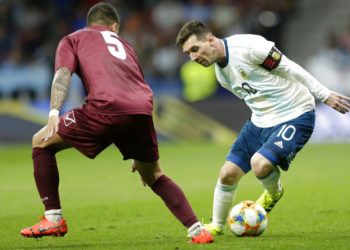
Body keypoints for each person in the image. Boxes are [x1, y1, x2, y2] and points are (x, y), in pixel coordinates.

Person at [20, 4, 213, 244]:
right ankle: (198, 230)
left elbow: (62, 74)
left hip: (104, 108)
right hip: (141, 109)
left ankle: (53, 218)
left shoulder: (73, 39)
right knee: (153, 174)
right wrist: (139, 150)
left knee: (40, 142)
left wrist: (53, 113)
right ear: (114, 27)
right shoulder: (126, 45)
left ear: (90, 24)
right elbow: (137, 84)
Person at [176, 20, 350, 235]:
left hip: (295, 114)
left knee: (260, 164)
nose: (193, 58)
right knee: (227, 174)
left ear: (210, 40)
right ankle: (217, 226)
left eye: (195, 49)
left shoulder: (249, 48)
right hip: (260, 121)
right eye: (188, 54)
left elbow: (289, 67)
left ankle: (273, 192)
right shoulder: (221, 75)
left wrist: (324, 94)